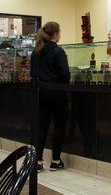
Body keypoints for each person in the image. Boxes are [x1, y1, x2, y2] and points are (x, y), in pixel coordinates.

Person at [30, 22, 70, 171]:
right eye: (59, 32)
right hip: (57, 94)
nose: (60, 35)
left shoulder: (36, 51)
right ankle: (55, 160)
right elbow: (65, 75)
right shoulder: (58, 52)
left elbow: (32, 74)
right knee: (59, 126)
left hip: (40, 93)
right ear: (55, 35)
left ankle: (38, 162)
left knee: (41, 127)